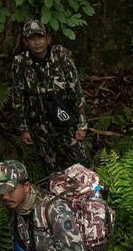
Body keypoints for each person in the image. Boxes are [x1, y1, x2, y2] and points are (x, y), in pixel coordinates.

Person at [10, 19, 90, 173]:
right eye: (32, 38)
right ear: (25, 41)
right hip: (40, 122)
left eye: (40, 37)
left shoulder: (61, 55)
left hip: (64, 116)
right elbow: (18, 97)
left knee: (82, 161)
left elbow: (76, 91)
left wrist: (82, 124)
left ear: (48, 38)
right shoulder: (20, 63)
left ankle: (91, 192)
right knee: (52, 168)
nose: (37, 42)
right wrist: (23, 128)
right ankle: (60, 193)